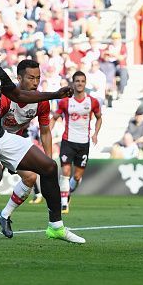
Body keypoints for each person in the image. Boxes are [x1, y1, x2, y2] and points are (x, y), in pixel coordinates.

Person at [0, 34, 84, 250]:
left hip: (0, 136)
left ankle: (55, 227)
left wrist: (54, 94)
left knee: (48, 166)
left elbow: (19, 96)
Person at [0, 60, 53, 239]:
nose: (35, 82)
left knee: (31, 177)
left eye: (38, 78)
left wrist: (48, 161)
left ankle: (4, 215)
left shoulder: (41, 101)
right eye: (31, 78)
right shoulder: (5, 98)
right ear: (19, 78)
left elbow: (45, 131)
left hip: (14, 142)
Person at [51, 71, 102, 214]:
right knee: (65, 172)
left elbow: (99, 118)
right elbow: (54, 117)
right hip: (68, 141)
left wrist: (95, 133)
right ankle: (63, 204)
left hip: (83, 143)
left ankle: (68, 193)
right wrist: (47, 132)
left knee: (78, 176)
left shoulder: (92, 101)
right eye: (77, 81)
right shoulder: (65, 102)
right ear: (73, 83)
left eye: (82, 81)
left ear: (85, 83)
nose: (80, 83)